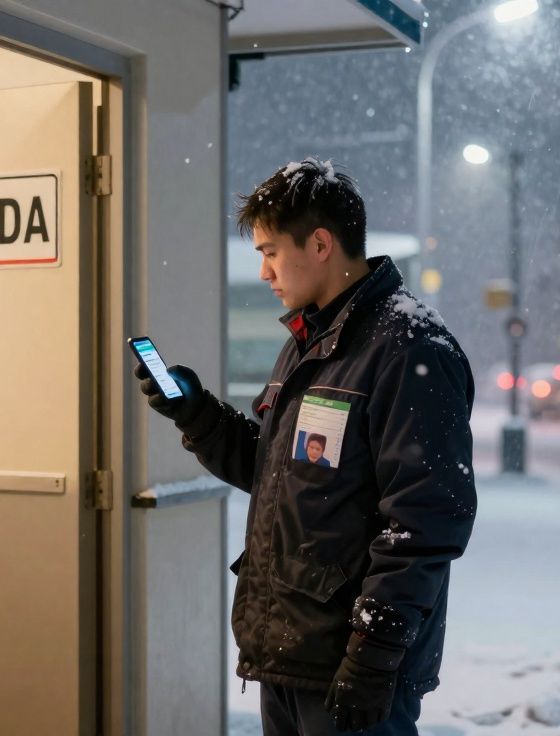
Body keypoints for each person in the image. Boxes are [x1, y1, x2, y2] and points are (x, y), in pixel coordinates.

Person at [133, 158, 476, 735]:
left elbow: (426, 519)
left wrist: (374, 652)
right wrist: (196, 413)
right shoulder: (309, 341)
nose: (264, 271)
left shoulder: (411, 349)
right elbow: (278, 470)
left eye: (270, 250)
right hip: (290, 652)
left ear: (320, 243)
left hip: (351, 666)